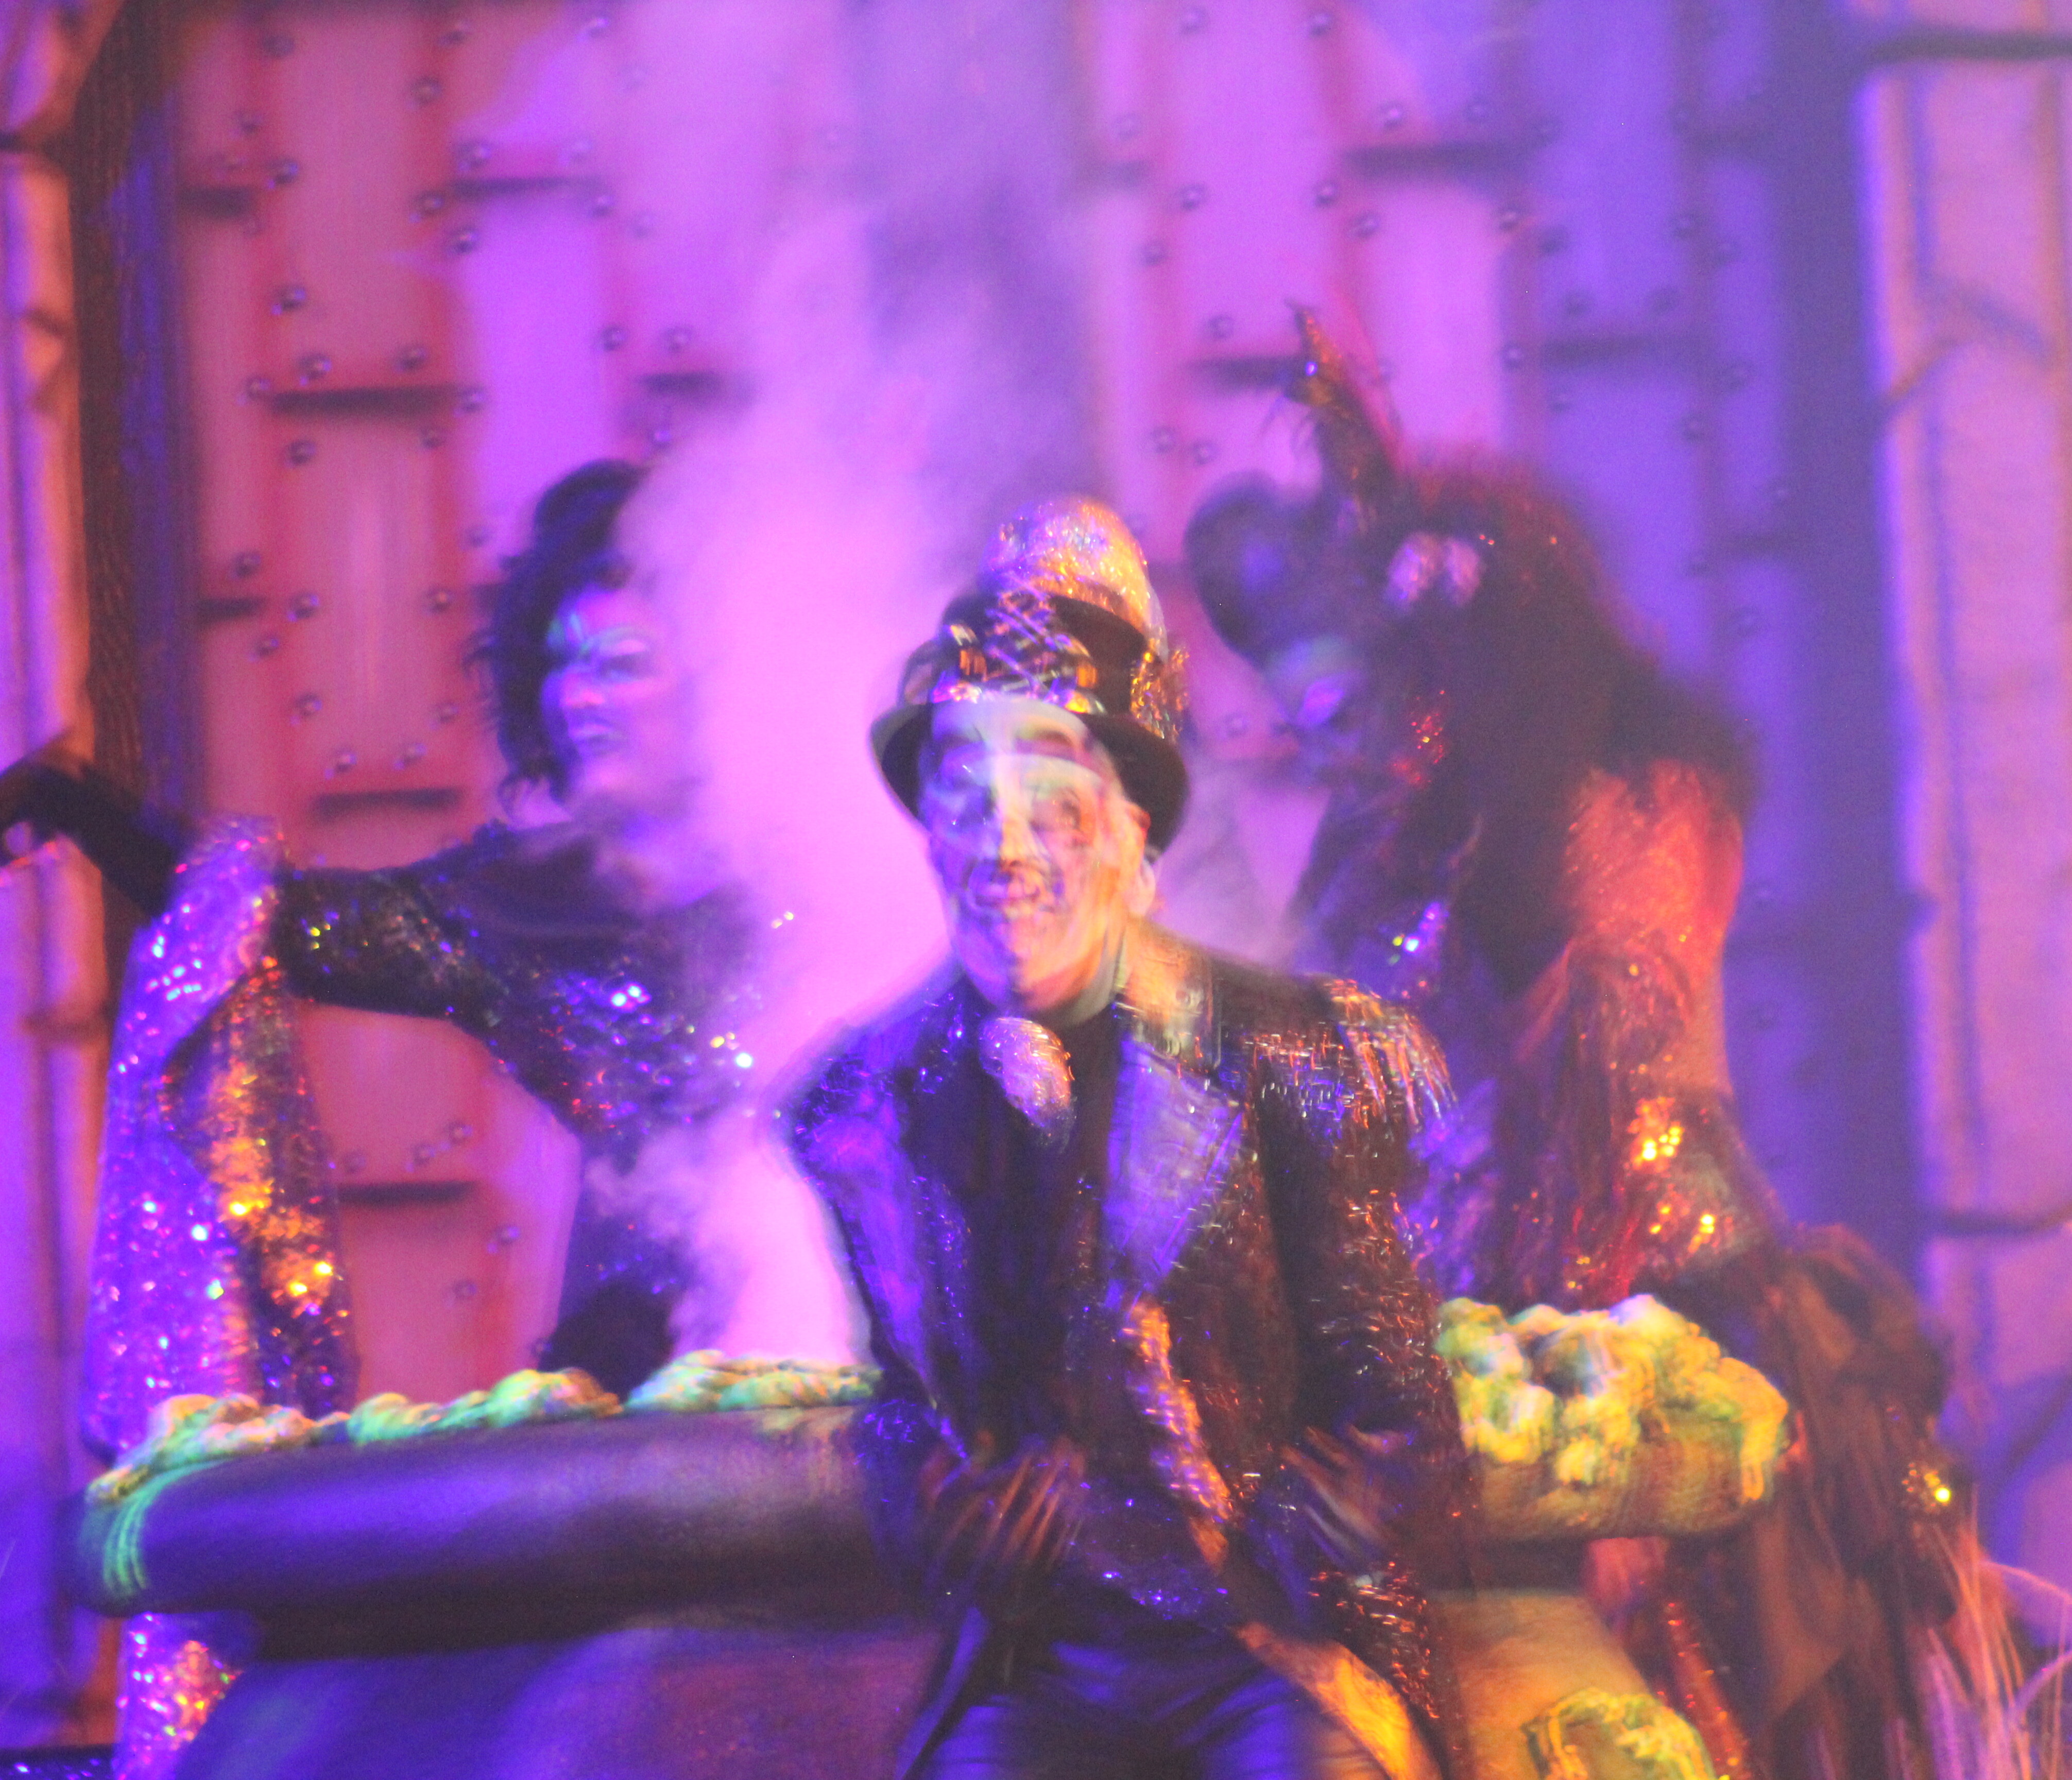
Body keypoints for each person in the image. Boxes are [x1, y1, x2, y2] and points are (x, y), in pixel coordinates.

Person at [1184, 319, 1966, 1780]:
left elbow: (1608, 1107)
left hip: (1659, 1337)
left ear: (1442, 687)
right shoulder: (1376, 855)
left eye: (1346, 709)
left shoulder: (1629, 816)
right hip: (1457, 1376)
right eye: (1302, 723)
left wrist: (1605, 1468)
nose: (1327, 750)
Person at [786, 498, 1464, 1780]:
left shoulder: (1293, 1059)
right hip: (1039, 1668)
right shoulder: (866, 1109)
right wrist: (943, 1504)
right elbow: (897, 1401)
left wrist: (1293, 1520)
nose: (1003, 848)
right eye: (963, 793)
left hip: (1270, 1653)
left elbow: (1409, 1425)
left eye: (1051, 796)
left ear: (1133, 834)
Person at [16, 459, 762, 1410]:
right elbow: (271, 919)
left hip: (833, 1366)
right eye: (561, 665)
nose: (576, 698)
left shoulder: (827, 876)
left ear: (720, 680)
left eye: (619, 665)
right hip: (624, 1400)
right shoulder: (519, 904)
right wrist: (81, 806)